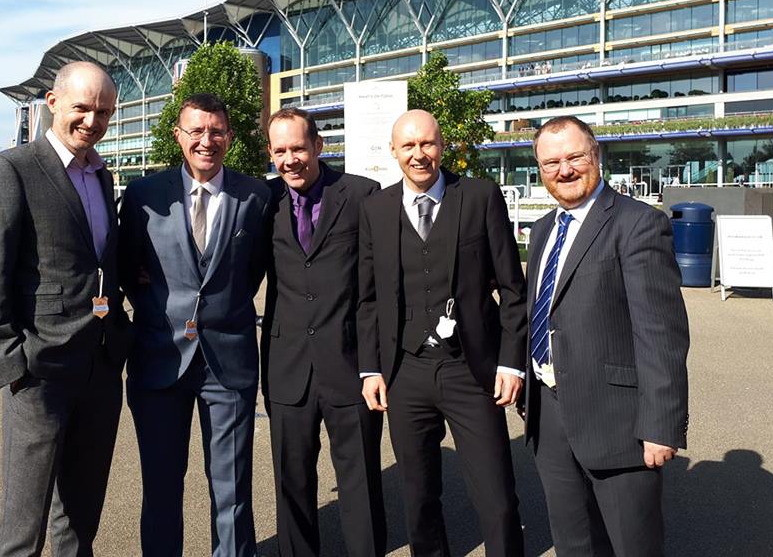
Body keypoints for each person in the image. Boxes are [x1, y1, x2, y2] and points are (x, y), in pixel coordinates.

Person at [0, 61, 130, 557]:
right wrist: (10, 364)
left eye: (103, 111)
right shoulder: (10, 169)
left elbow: (101, 261)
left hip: (99, 367)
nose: (92, 121)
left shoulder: (101, 175)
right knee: (24, 526)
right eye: (82, 108)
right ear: (52, 103)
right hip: (40, 372)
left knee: (80, 518)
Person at [357, 109, 527, 557]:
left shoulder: (479, 197)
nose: (419, 154)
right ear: (393, 151)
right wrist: (370, 369)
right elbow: (368, 299)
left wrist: (511, 362)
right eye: (408, 146)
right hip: (405, 371)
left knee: (496, 495)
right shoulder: (374, 209)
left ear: (442, 145)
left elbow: (513, 289)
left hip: (471, 370)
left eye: (427, 143)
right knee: (418, 496)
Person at [523, 115, 689, 557]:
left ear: (595, 156)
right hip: (550, 416)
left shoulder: (637, 224)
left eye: (575, 157)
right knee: (573, 542)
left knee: (632, 545)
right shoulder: (542, 231)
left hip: (619, 423)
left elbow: (662, 334)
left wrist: (661, 425)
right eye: (551, 162)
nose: (564, 170)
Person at [119, 92, 270, 557]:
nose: (207, 140)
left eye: (217, 131)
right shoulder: (144, 194)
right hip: (159, 363)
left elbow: (255, 269)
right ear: (178, 136)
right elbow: (126, 265)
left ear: (230, 135)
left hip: (229, 364)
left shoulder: (256, 196)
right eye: (196, 131)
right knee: (161, 488)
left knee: (232, 490)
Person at [261, 107, 386, 557]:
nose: (290, 159)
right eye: (280, 151)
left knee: (360, 481)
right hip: (287, 365)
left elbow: (382, 281)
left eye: (298, 148)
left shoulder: (362, 194)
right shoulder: (265, 202)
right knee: (291, 482)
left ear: (319, 145)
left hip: (350, 362)